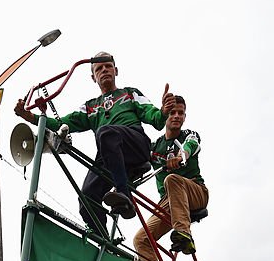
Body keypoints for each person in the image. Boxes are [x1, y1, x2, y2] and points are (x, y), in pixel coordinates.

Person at [15, 52, 174, 232]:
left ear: (116, 71)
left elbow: (155, 118)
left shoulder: (130, 94)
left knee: (105, 133)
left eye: (108, 66)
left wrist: (163, 112)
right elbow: (62, 123)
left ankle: (124, 194)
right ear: (93, 77)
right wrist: (30, 117)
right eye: (99, 68)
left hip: (134, 143)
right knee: (87, 197)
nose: (104, 70)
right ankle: (104, 242)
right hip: (108, 153)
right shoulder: (90, 106)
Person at [132, 96, 208, 261]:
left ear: (184, 117)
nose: (176, 116)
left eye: (180, 113)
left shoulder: (188, 135)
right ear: (165, 114)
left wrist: (181, 156)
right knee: (141, 239)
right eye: (172, 112)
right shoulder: (155, 146)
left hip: (194, 191)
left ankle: (184, 233)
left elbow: (191, 145)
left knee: (172, 179)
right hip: (169, 202)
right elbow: (139, 160)